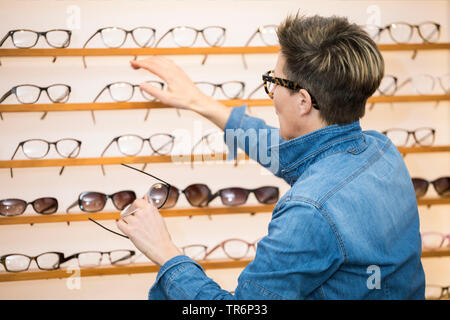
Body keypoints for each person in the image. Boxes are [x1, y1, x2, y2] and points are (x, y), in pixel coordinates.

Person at [116, 13, 425, 299]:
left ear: (303, 101)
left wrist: (165, 253)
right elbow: (292, 154)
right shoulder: (381, 151)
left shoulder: (309, 210)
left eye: (274, 82)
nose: (273, 93)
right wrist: (201, 102)